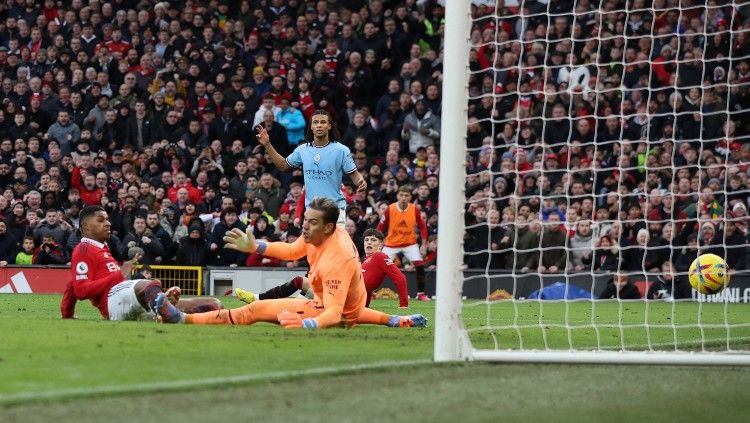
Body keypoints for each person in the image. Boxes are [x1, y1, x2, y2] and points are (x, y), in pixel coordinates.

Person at [155, 197, 425, 329]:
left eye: (312, 222)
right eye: (305, 219)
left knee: (252, 312)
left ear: (329, 227)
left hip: (326, 311)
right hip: (327, 305)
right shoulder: (321, 233)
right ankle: (183, 318)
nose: (304, 226)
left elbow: (336, 314)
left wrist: (308, 325)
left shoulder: (338, 257)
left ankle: (183, 318)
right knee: (256, 308)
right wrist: (256, 246)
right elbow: (293, 249)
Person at [60, 206, 220, 320]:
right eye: (101, 220)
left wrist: (67, 314)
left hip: (129, 301)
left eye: (107, 219)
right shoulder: (83, 249)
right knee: (147, 284)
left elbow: (72, 285)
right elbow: (81, 290)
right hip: (112, 302)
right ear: (86, 227)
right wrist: (119, 274)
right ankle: (168, 311)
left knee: (213, 303)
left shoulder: (102, 247)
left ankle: (169, 311)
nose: (108, 223)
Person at [235, 229, 410, 308]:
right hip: (344, 294)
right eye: (366, 240)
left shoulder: (380, 257)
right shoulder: (364, 260)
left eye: (373, 241)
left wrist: (404, 306)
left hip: (345, 296)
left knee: (302, 281)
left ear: (381, 245)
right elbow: (366, 285)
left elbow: (400, 279)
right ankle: (278, 303)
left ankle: (258, 299)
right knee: (309, 283)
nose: (369, 243)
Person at [256, 109, 367, 226]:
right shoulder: (302, 150)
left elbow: (354, 175)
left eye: (323, 122)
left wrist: (360, 181)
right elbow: (283, 166)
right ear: (311, 127)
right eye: (315, 122)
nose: (319, 125)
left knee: (334, 245)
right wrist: (267, 145)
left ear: (329, 126)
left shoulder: (341, 150)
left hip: (335, 211)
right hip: (312, 211)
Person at [376, 185, 430, 301]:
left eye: (406, 195)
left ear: (410, 197)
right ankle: (371, 292)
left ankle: (421, 294)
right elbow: (380, 227)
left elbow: (423, 226)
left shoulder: (414, 209)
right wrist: (378, 244)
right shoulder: (390, 209)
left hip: (409, 243)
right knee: (378, 267)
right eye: (401, 195)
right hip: (391, 244)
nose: (404, 198)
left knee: (420, 266)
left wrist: (424, 245)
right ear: (397, 196)